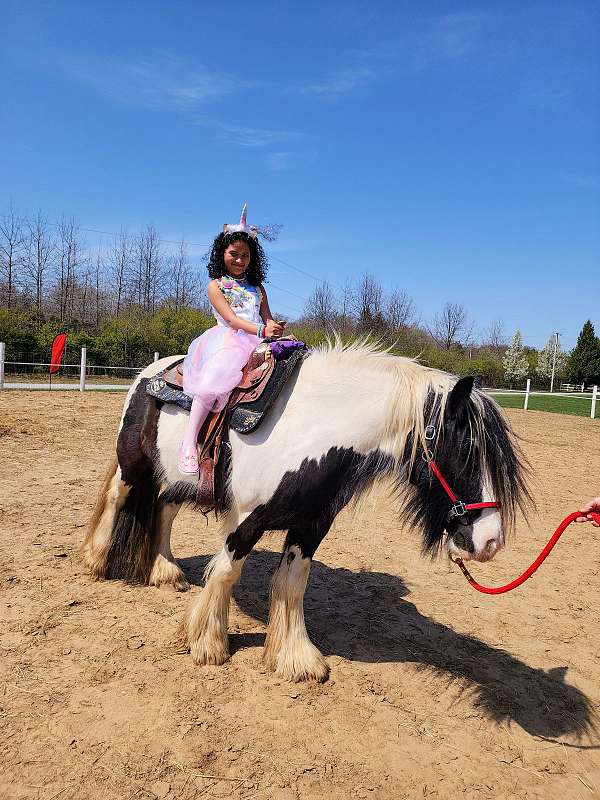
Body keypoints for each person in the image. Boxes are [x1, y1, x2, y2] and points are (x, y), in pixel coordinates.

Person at [178, 205, 284, 474]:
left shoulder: (257, 289)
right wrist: (262, 331)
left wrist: (274, 327)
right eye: (233, 254)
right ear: (222, 254)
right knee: (212, 383)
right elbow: (233, 320)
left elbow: (266, 316)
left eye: (245, 256)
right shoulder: (215, 286)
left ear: (253, 258)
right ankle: (188, 443)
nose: (239, 260)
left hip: (258, 340)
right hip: (229, 340)